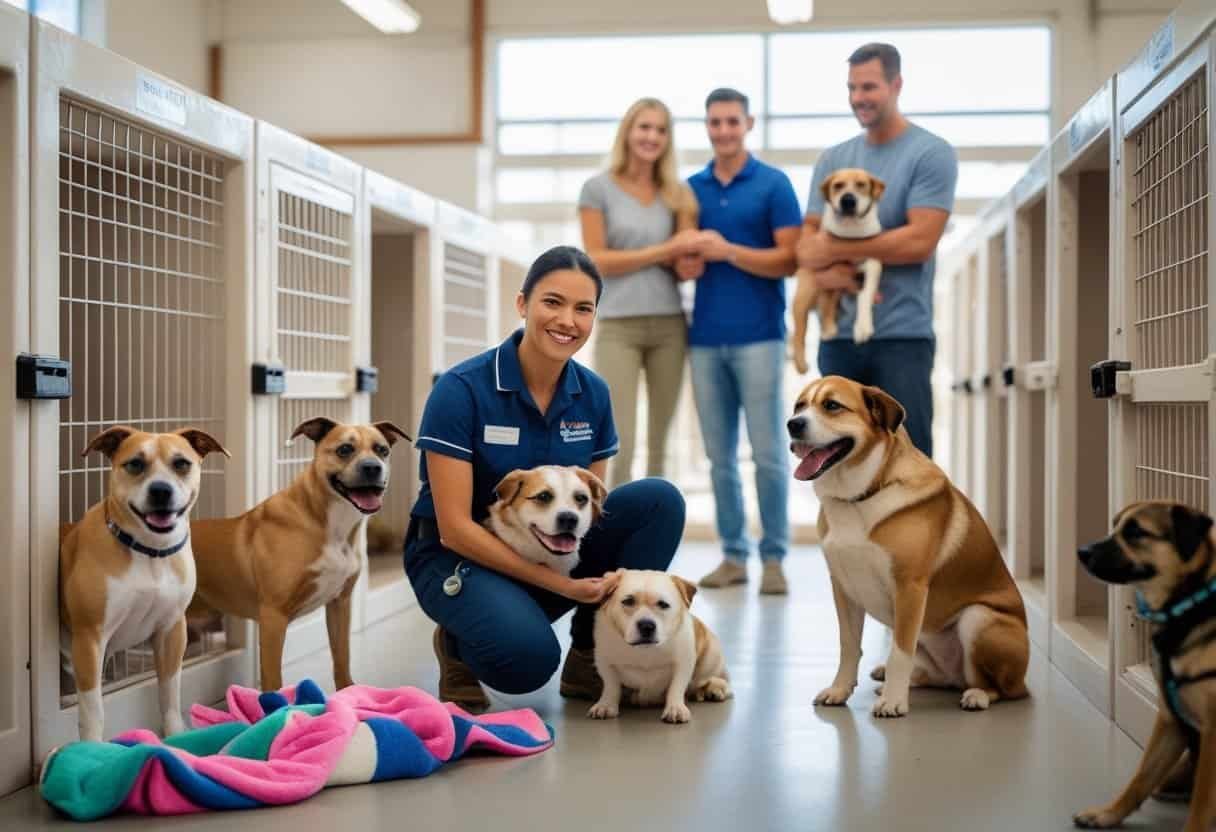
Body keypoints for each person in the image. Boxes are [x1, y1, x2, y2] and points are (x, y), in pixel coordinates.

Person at [403, 245, 686, 712]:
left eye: (583, 308)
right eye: (552, 302)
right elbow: (454, 527)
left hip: (549, 547)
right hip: (457, 554)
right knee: (526, 663)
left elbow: (590, 511)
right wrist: (564, 587)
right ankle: (458, 643)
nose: (567, 321)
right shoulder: (461, 390)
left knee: (659, 500)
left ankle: (588, 653)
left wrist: (578, 583)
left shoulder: (592, 393)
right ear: (523, 304)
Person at [798, 42, 958, 458]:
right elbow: (807, 248)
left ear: (896, 84)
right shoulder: (833, 158)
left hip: (903, 336)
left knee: (910, 453)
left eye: (868, 87)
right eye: (851, 88)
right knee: (831, 460)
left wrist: (835, 247)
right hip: (838, 338)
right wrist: (827, 265)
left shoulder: (930, 153)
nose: (858, 98)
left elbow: (920, 242)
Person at [677, 88, 802, 596]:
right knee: (719, 458)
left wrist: (727, 250)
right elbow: (684, 262)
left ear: (749, 122)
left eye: (732, 121)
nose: (724, 130)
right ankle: (733, 556)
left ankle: (774, 558)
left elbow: (789, 260)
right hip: (704, 339)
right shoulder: (690, 190)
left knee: (770, 453)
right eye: (715, 122)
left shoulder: (774, 184)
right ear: (706, 127)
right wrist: (688, 256)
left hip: (761, 338)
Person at [579, 97, 702, 489]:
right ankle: (614, 534)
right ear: (628, 132)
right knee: (620, 442)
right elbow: (596, 260)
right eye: (644, 127)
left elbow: (684, 265)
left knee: (661, 445)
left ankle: (654, 532)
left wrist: (689, 260)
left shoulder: (678, 194)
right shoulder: (597, 189)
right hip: (618, 325)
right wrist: (665, 251)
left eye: (661, 130)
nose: (652, 137)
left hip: (670, 325)